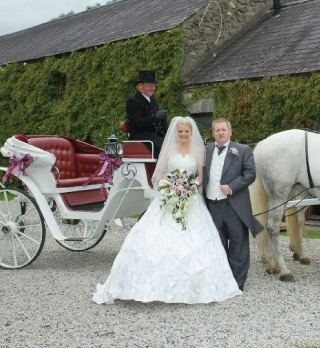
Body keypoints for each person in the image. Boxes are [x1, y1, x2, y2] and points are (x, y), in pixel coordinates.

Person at [93, 116, 242, 304]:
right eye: (180, 132)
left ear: (191, 133)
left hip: (190, 198)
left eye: (186, 132)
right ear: (176, 133)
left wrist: (189, 187)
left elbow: (201, 178)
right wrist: (169, 186)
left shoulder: (198, 151)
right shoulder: (169, 149)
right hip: (168, 197)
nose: (183, 135)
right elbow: (158, 174)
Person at [203, 118, 264, 291]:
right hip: (212, 205)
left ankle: (237, 283)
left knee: (238, 244)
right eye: (217, 130)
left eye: (223, 129)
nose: (220, 133)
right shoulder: (206, 150)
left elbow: (250, 173)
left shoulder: (243, 150)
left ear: (230, 132)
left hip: (234, 206)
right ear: (213, 133)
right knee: (217, 244)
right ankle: (221, 281)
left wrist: (232, 187)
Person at [125, 70, 168, 158]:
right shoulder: (133, 101)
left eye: (154, 86)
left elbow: (160, 122)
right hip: (140, 135)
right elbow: (136, 123)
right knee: (163, 146)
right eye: (150, 86)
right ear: (140, 86)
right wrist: (155, 117)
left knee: (173, 143)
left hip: (154, 134)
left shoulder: (152, 101)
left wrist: (170, 132)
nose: (153, 88)